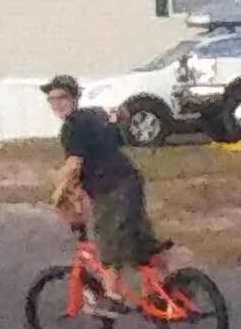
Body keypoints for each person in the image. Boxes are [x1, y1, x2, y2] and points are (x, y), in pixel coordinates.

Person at [43, 72, 165, 294]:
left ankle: (112, 299)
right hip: (130, 180)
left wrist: (58, 190)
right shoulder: (95, 113)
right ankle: (166, 291)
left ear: (75, 98)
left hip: (111, 189)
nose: (56, 104)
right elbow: (118, 123)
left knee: (109, 248)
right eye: (52, 99)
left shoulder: (72, 126)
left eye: (62, 98)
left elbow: (75, 164)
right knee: (140, 243)